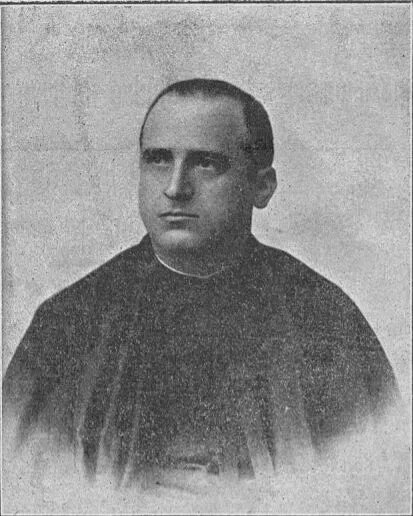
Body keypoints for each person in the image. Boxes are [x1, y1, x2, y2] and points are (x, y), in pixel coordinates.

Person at [3, 78, 399, 488]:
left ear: (262, 186)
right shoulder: (67, 325)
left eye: (206, 163)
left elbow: (377, 483)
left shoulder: (326, 323)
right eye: (158, 160)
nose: (175, 188)